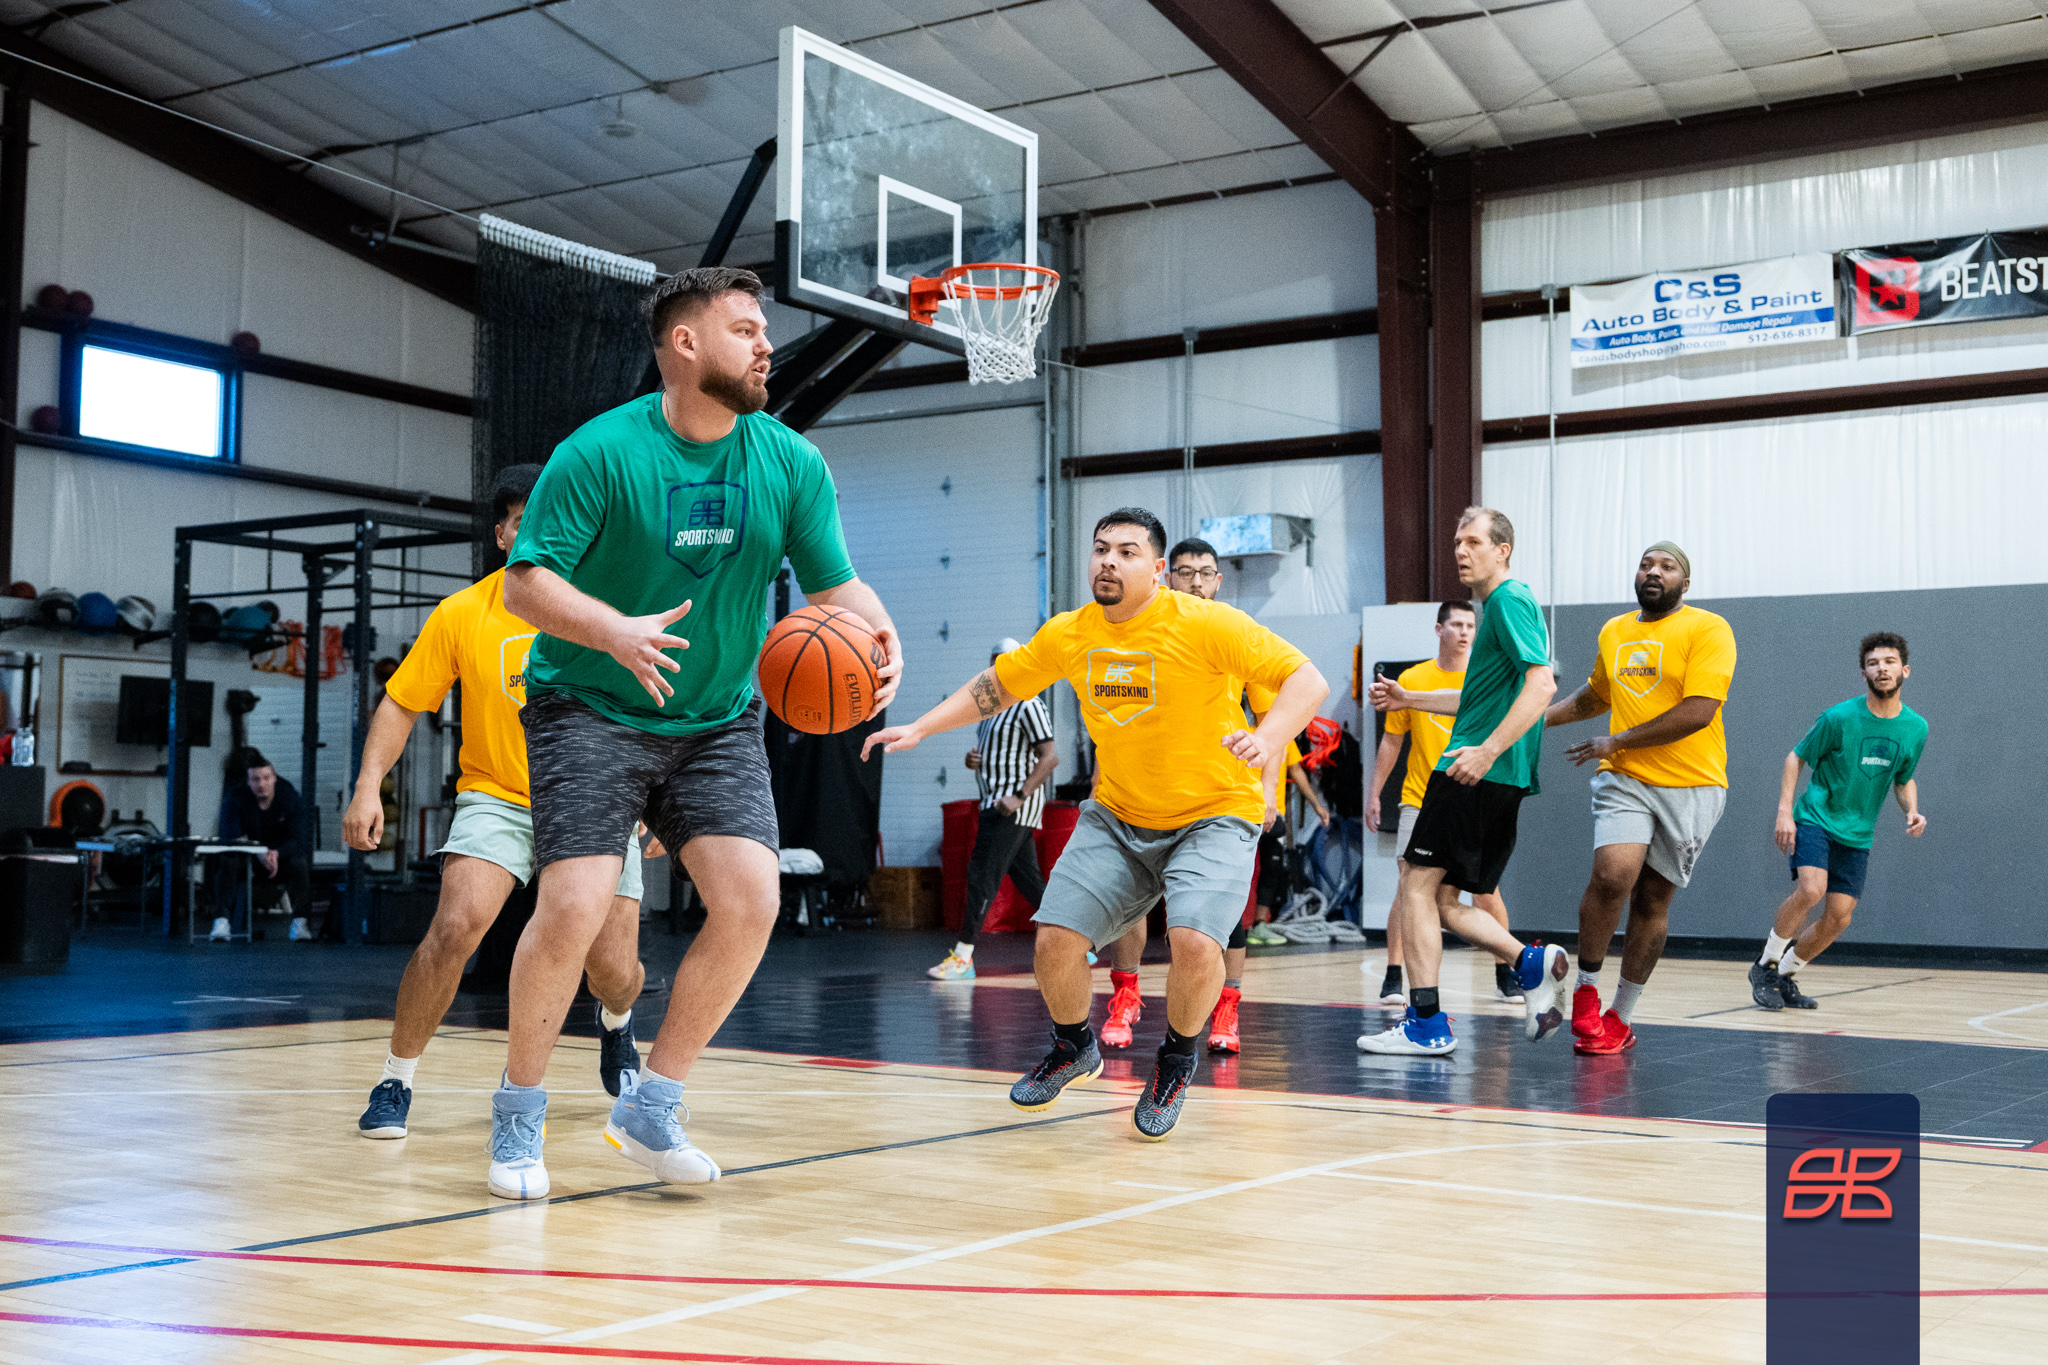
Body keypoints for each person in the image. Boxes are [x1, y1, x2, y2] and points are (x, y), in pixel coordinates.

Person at [492, 265, 902, 1200]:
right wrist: (615, 630)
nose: (766, 345)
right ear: (685, 343)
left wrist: (884, 634)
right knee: (574, 904)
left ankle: (652, 1104)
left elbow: (836, 585)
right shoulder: (599, 452)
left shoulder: (789, 461)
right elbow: (525, 583)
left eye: (764, 330)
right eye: (746, 329)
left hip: (716, 717)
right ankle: (518, 1110)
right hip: (589, 704)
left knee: (752, 896)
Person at [865, 509, 1327, 1141]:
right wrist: (921, 727)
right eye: (1101, 548)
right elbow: (996, 687)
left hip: (1215, 813)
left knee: (1196, 943)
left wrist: (1269, 738)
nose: (1109, 560)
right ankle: (1073, 1046)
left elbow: (1306, 679)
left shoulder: (1209, 624)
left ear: (1158, 570)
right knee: (1054, 939)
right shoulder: (1072, 633)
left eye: (1127, 552)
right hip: (1120, 814)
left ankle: (1175, 1061)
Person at [344, 465, 649, 1146]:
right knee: (455, 926)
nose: (532, 527)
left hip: (597, 798)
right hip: (498, 796)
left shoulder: (606, 610)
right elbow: (401, 703)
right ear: (503, 534)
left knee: (613, 970)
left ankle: (617, 1023)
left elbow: (649, 708)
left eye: (545, 515)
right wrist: (367, 786)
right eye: (518, 518)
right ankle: (396, 1078)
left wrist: (652, 801)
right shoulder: (462, 612)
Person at [1361, 507, 1569, 1056]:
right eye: (1457, 541)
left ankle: (1426, 1024)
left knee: (1415, 886)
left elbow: (1542, 685)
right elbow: (1476, 700)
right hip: (1493, 776)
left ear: (1503, 550)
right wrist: (1409, 697)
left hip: (1473, 772)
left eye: (1473, 541)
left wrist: (1487, 751)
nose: (1460, 550)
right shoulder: (1498, 608)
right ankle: (1529, 962)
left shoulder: (1508, 600)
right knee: (1443, 899)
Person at [1096, 537, 1303, 1056]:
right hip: (1143, 794)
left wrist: (1269, 791)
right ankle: (1125, 996)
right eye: (1185, 572)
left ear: (1217, 581)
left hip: (1220, 802)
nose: (1194, 581)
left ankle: (1227, 1006)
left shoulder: (1234, 635)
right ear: (1167, 576)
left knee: (1223, 916)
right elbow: (1115, 718)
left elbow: (1273, 723)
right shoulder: (1140, 630)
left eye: (1204, 573)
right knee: (1128, 903)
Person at [1543, 542, 1737, 1055]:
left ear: (1685, 584)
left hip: (1693, 783)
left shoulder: (1708, 628)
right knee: (1613, 875)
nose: (1654, 571)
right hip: (1625, 775)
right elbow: (1594, 697)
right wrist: (1530, 721)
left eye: (1667, 566)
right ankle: (1586, 990)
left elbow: (1699, 711)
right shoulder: (1614, 630)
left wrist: (1617, 739)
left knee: (1652, 900)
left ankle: (1620, 1017)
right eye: (1646, 564)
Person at [1748, 633, 1927, 1011]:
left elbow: (1903, 778)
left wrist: (1911, 809)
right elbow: (1796, 757)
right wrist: (1785, 812)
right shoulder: (1838, 718)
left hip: (1857, 833)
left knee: (1839, 918)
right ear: (1864, 673)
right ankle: (1766, 965)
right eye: (1874, 663)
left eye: (1890, 662)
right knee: (1811, 890)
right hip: (1817, 818)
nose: (1882, 669)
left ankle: (1785, 975)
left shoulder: (1915, 728)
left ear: (1905, 670)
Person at [1365, 601, 1523, 1007]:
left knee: (1484, 892)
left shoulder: (1484, 677)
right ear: (1439, 629)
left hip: (1470, 798)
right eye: (1457, 624)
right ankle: (1395, 976)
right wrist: (1375, 792)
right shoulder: (1413, 680)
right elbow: (1392, 741)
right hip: (1419, 798)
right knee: (1410, 887)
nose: (1465, 632)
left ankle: (1511, 970)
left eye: (1471, 625)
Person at [927, 637, 1058, 980]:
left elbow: (1050, 757)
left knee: (982, 875)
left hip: (1010, 806)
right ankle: (1077, 944)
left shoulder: (1028, 703)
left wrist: (1020, 795)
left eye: (1005, 661)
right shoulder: (989, 705)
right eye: (994, 661)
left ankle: (963, 957)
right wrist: (973, 760)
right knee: (1029, 881)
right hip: (994, 801)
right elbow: (995, 753)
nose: (999, 669)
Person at [214, 753, 310, 943]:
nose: (261, 784)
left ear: (275, 778)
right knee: (227, 861)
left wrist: (277, 853)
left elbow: (299, 838)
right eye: (255, 779)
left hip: (279, 857)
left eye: (266, 778)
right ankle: (221, 922)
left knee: (299, 863)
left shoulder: (289, 796)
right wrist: (258, 851)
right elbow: (231, 835)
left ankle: (301, 923)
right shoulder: (235, 797)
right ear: (248, 781)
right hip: (248, 857)